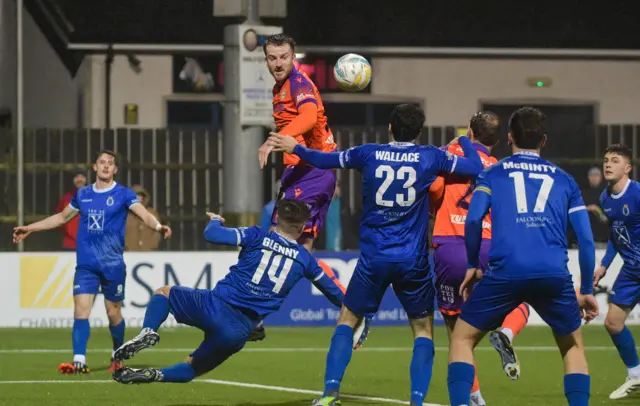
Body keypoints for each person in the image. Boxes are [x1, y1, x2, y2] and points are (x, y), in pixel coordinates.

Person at [267, 103, 484, 406]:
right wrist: (463, 141)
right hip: (413, 261)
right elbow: (476, 168)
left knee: (347, 321)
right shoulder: (430, 157)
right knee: (422, 331)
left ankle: (330, 394)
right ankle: (417, 401)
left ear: (390, 128)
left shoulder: (367, 153)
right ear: (419, 131)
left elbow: (323, 158)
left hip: (373, 258)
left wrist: (295, 147)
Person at [446, 107, 598, 406]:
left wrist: (473, 265)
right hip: (553, 274)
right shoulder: (565, 180)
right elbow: (587, 240)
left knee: (462, 339)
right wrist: (589, 291)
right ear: (543, 140)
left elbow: (474, 221)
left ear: (510, 137)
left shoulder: (491, 173)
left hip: (505, 272)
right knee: (572, 347)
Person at [111, 199, 347, 384]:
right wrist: (358, 313)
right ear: (303, 227)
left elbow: (211, 235)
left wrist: (216, 220)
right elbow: (335, 294)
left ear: (276, 218)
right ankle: (155, 375)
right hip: (239, 330)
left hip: (214, 306)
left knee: (164, 293)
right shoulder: (306, 260)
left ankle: (148, 331)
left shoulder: (257, 235)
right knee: (193, 368)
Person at [13, 150, 172, 374]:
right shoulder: (83, 195)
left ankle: (118, 355)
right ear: (94, 167)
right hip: (86, 264)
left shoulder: (123, 194)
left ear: (115, 169)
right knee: (80, 310)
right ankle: (79, 360)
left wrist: (158, 226)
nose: (106, 166)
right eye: (102, 162)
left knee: (113, 313)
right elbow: (60, 218)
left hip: (112, 264)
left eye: (110, 163)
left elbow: (143, 214)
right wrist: (30, 228)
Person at [428, 111, 529, 406]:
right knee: (520, 300)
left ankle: (473, 396)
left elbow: (434, 189)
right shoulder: (499, 168)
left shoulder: (451, 155)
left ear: (470, 133)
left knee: (457, 332)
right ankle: (507, 331)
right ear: (496, 141)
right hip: (489, 245)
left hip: (451, 244)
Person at [256, 33, 342, 342]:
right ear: (266, 60)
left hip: (314, 172)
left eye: (283, 57)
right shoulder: (281, 87)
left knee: (279, 245)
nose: (278, 63)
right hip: (302, 171)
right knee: (300, 254)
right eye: (272, 58)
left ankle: (254, 313)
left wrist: (275, 139)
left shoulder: (299, 84)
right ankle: (352, 312)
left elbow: (307, 117)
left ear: (294, 58)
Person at [593, 144, 640, 400]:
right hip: (632, 271)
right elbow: (615, 235)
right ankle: (636, 375)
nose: (608, 164)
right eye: (606, 160)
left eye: (615, 160)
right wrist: (604, 265)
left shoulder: (638, 193)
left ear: (628, 168)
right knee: (612, 322)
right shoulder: (604, 199)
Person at [56, 170, 87, 250]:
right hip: (69, 243)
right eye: (77, 177)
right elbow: (58, 218)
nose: (79, 179)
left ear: (86, 179)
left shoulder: (93, 197)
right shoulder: (66, 198)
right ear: (73, 180)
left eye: (82, 177)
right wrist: (67, 232)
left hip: (87, 243)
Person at [125, 185, 162, 251]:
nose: (138, 198)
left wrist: (153, 245)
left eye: (140, 196)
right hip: (129, 253)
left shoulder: (152, 213)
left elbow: (157, 231)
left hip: (148, 252)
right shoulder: (125, 215)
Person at [582, 166, 609, 245]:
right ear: (588, 177)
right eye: (592, 175)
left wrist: (598, 210)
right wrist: (589, 208)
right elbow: (575, 209)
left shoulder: (607, 193)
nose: (594, 178)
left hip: (604, 237)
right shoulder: (583, 193)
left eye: (597, 175)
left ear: (601, 177)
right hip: (587, 237)